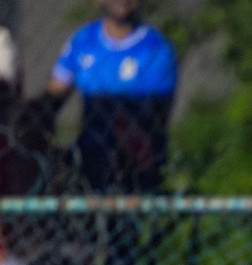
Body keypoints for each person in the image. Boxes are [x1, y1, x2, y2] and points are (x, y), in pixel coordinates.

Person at [48, 0, 177, 191]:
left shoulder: (156, 49)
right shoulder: (83, 40)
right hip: (87, 157)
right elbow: (53, 96)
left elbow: (150, 116)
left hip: (134, 164)